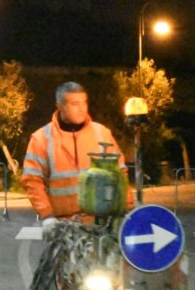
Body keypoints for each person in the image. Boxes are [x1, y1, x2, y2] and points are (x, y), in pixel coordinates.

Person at [21, 82, 132, 236]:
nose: (82, 109)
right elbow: (32, 180)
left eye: (84, 102)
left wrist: (127, 210)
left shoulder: (102, 133)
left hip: (102, 223)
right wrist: (47, 216)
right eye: (75, 103)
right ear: (60, 106)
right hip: (63, 226)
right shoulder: (42, 138)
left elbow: (120, 174)